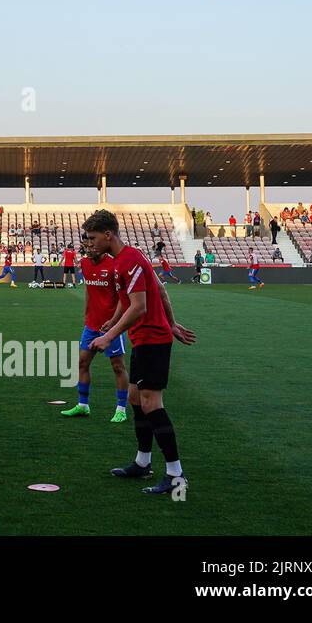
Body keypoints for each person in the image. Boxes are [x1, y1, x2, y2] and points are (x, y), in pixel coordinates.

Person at [83, 210, 196, 495]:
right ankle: (143, 463)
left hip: (152, 340)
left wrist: (109, 335)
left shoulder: (129, 261)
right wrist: (116, 320)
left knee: (151, 403)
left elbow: (140, 306)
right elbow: (150, 292)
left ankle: (175, 474)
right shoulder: (127, 258)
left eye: (93, 238)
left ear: (108, 234)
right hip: (144, 338)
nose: (90, 243)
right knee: (135, 397)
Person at [62, 237, 129, 422]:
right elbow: (89, 290)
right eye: (86, 245)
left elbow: (123, 298)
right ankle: (83, 405)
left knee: (118, 366)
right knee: (82, 363)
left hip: (112, 326)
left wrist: (114, 321)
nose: (89, 247)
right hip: (91, 325)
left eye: (92, 244)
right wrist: (86, 313)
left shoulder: (114, 265)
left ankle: (121, 409)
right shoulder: (84, 263)